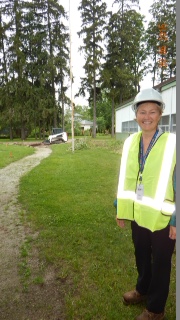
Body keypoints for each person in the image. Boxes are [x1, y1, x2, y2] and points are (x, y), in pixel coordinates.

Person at [115, 88, 176, 320]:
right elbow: (126, 177)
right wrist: (120, 208)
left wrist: (176, 220)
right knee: (141, 254)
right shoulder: (131, 142)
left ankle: (155, 309)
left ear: (160, 115)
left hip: (163, 217)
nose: (147, 116)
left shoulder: (172, 143)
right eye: (142, 111)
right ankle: (142, 290)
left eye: (152, 111)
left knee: (160, 262)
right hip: (138, 213)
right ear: (136, 115)